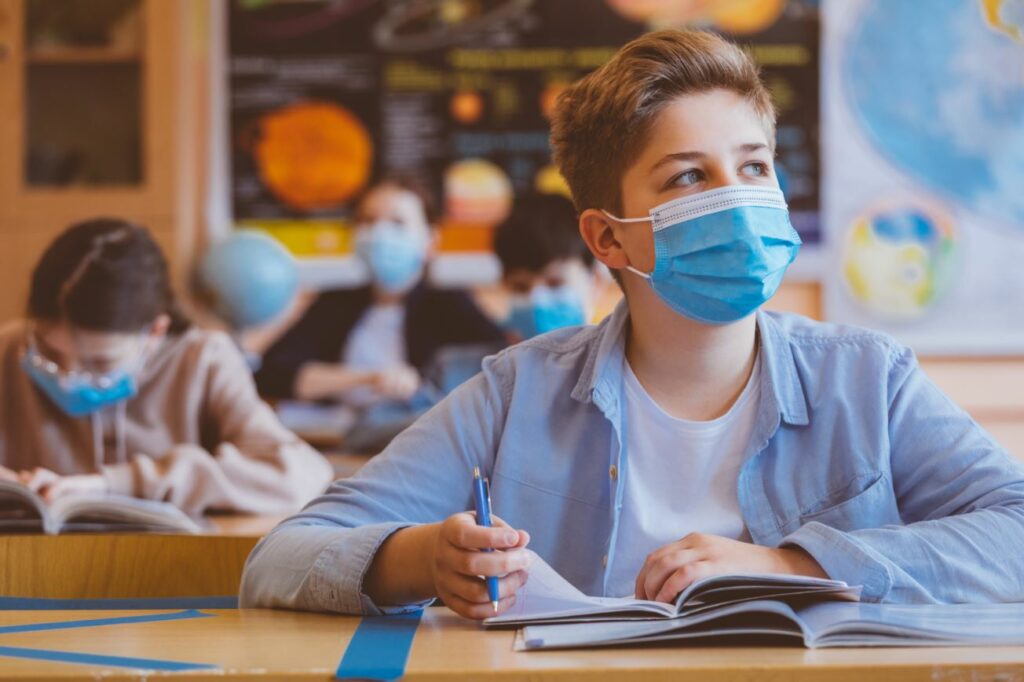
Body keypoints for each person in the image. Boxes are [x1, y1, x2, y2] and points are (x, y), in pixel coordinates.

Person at [240, 29, 1024, 617]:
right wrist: (419, 560)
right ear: (607, 237)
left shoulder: (867, 379)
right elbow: (278, 559)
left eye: (753, 167)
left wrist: (793, 565)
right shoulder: (517, 395)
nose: (739, 198)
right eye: (689, 176)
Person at [0, 218, 334, 516]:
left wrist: (117, 484)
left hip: (169, 577)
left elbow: (298, 473)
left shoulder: (202, 358)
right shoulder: (9, 347)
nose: (68, 376)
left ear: (155, 332)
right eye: (48, 352)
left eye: (100, 362)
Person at [254, 176, 506, 406]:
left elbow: (497, 367)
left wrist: (417, 382)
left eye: (397, 222)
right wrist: (368, 378)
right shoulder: (333, 303)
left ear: (430, 241)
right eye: (368, 220)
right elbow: (273, 373)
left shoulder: (449, 304)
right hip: (337, 441)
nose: (379, 233)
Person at [493, 193, 604, 341]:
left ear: (595, 281)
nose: (536, 300)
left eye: (555, 283)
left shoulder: (627, 359)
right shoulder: (488, 362)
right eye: (521, 287)